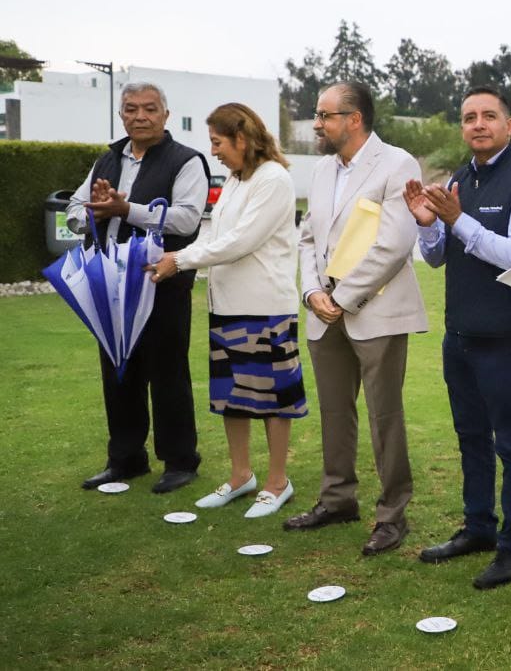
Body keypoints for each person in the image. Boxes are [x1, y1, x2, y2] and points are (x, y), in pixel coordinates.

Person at [409, 85, 511, 589]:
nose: (478, 124)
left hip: (505, 335)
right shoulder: (459, 179)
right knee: (470, 438)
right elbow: (436, 257)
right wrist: (428, 225)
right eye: (469, 116)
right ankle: (478, 528)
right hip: (460, 334)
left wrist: (458, 220)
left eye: (489, 115)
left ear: (509, 125)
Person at [284, 81, 428, 556]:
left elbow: (394, 244)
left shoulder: (397, 164)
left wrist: (342, 298)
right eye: (317, 115)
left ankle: (392, 516)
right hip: (324, 313)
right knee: (334, 412)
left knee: (385, 416)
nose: (316, 124)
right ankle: (337, 500)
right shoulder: (322, 169)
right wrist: (312, 292)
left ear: (354, 119)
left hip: (376, 312)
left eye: (324, 115)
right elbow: (309, 238)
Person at [148, 104, 304, 517]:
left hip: (266, 308)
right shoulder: (236, 179)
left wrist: (180, 260)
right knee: (233, 398)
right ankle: (240, 476)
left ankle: (277, 482)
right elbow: (215, 235)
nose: (213, 151)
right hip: (228, 306)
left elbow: (241, 241)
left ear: (242, 137)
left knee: (272, 399)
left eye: (218, 142)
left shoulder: (274, 179)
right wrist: (176, 256)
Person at [67, 81, 209, 494]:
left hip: (161, 282)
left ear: (165, 114)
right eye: (131, 109)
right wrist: (94, 211)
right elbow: (74, 209)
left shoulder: (187, 161)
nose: (140, 116)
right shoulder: (108, 159)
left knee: (168, 373)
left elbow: (187, 218)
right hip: (109, 285)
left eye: (149, 108)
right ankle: (126, 459)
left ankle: (180, 461)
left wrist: (126, 209)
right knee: (118, 372)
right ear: (121, 115)